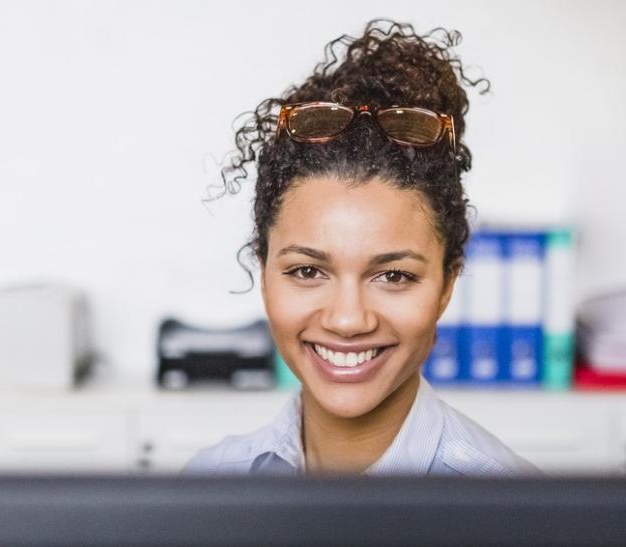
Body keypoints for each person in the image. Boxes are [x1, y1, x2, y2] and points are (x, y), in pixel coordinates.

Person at [185, 20, 537, 477]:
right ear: (264, 270)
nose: (348, 320)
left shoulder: (514, 511)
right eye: (308, 271)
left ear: (448, 282)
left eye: (394, 276)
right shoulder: (211, 482)